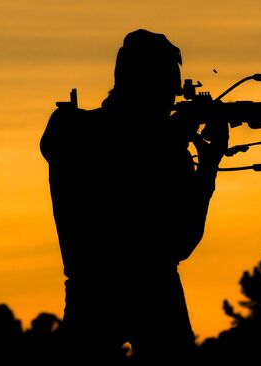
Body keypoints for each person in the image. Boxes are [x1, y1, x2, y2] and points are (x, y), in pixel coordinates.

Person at [40, 29, 228, 364]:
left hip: (126, 293)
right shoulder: (73, 129)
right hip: (108, 294)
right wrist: (177, 141)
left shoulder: (167, 149)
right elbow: (119, 159)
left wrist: (207, 166)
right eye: (167, 90)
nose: (172, 100)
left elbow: (183, 242)